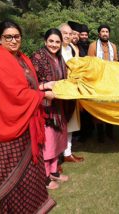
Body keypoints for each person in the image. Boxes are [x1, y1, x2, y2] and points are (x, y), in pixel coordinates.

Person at [0, 20, 56, 213]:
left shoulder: (21, 58)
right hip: (7, 128)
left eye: (17, 36)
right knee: (13, 181)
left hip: (25, 123)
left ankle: (33, 209)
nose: (13, 40)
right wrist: (42, 95)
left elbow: (26, 87)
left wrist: (42, 86)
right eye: (8, 37)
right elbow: (14, 95)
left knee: (31, 176)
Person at [31, 28, 70, 190]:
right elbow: (30, 84)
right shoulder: (37, 57)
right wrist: (45, 88)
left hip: (58, 106)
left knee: (57, 139)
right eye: (51, 41)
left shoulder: (60, 58)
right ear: (45, 41)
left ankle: (54, 171)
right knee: (47, 142)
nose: (54, 45)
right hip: (44, 108)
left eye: (57, 42)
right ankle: (45, 177)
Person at [59, 23, 84, 162]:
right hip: (59, 91)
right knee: (59, 124)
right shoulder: (55, 49)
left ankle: (67, 153)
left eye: (70, 33)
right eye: (65, 33)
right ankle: (57, 155)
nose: (68, 36)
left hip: (72, 90)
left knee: (71, 124)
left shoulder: (73, 49)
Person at [88, 24, 117, 143]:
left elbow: (115, 61)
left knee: (110, 106)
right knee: (99, 107)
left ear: (109, 34)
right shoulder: (93, 46)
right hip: (97, 81)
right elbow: (90, 63)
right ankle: (100, 134)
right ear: (99, 34)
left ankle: (110, 132)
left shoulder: (113, 46)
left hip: (110, 81)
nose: (105, 33)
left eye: (107, 31)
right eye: (102, 31)